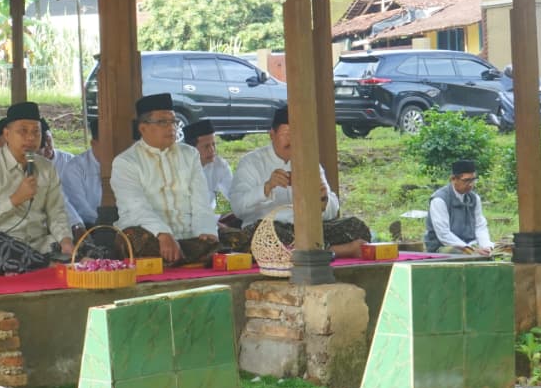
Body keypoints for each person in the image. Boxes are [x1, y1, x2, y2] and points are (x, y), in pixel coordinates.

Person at [229, 106, 370, 257]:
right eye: (286, 134)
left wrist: (323, 200)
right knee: (264, 235)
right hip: (270, 229)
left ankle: (315, 252)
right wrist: (267, 187)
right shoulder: (251, 163)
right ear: (272, 134)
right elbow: (238, 208)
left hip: (307, 230)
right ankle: (336, 251)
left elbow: (332, 210)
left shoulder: (309, 161)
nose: (291, 140)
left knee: (355, 226)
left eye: (296, 134)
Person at [112, 94, 222, 265]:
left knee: (237, 238)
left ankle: (188, 256)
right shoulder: (126, 162)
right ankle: (187, 257)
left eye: (173, 121)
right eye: (163, 122)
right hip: (152, 237)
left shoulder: (190, 154)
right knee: (134, 238)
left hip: (189, 236)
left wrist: (206, 231)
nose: (171, 127)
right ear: (143, 128)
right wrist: (162, 233)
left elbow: (201, 201)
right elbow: (136, 208)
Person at [0, 101, 73, 274]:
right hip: (4, 247)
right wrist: (15, 199)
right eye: (23, 131)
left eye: (36, 132)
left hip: (39, 245)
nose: (30, 138)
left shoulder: (46, 168)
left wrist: (66, 241)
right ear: (7, 134)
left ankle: (44, 265)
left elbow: (56, 212)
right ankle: (50, 267)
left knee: (89, 246)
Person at [424, 159, 494, 255]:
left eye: (473, 180)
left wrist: (486, 246)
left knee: (504, 249)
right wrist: (470, 250)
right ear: (453, 179)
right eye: (466, 180)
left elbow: (480, 226)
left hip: (470, 245)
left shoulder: (474, 198)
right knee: (465, 254)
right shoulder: (439, 200)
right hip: (443, 246)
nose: (471, 184)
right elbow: (444, 234)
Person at [62, 118, 102, 227]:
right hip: (89, 227)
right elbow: (82, 210)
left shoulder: (124, 163)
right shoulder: (75, 168)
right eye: (108, 144)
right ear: (93, 144)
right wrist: (107, 223)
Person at [184, 119, 232, 211]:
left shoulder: (220, 166)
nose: (212, 150)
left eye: (213, 144)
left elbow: (231, 197)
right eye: (206, 146)